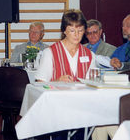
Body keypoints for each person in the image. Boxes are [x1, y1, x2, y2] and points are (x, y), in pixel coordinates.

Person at [35, 9, 96, 139]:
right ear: (64, 31)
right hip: (56, 108)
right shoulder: (50, 52)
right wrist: (56, 81)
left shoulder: (89, 55)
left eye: (80, 30)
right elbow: (39, 85)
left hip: (81, 107)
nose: (76, 35)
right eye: (72, 30)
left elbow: (93, 83)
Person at [92, 14, 130, 140]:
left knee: (101, 118)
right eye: (123, 25)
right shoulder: (120, 49)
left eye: (128, 25)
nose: (123, 28)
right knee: (99, 117)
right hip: (115, 91)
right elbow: (109, 65)